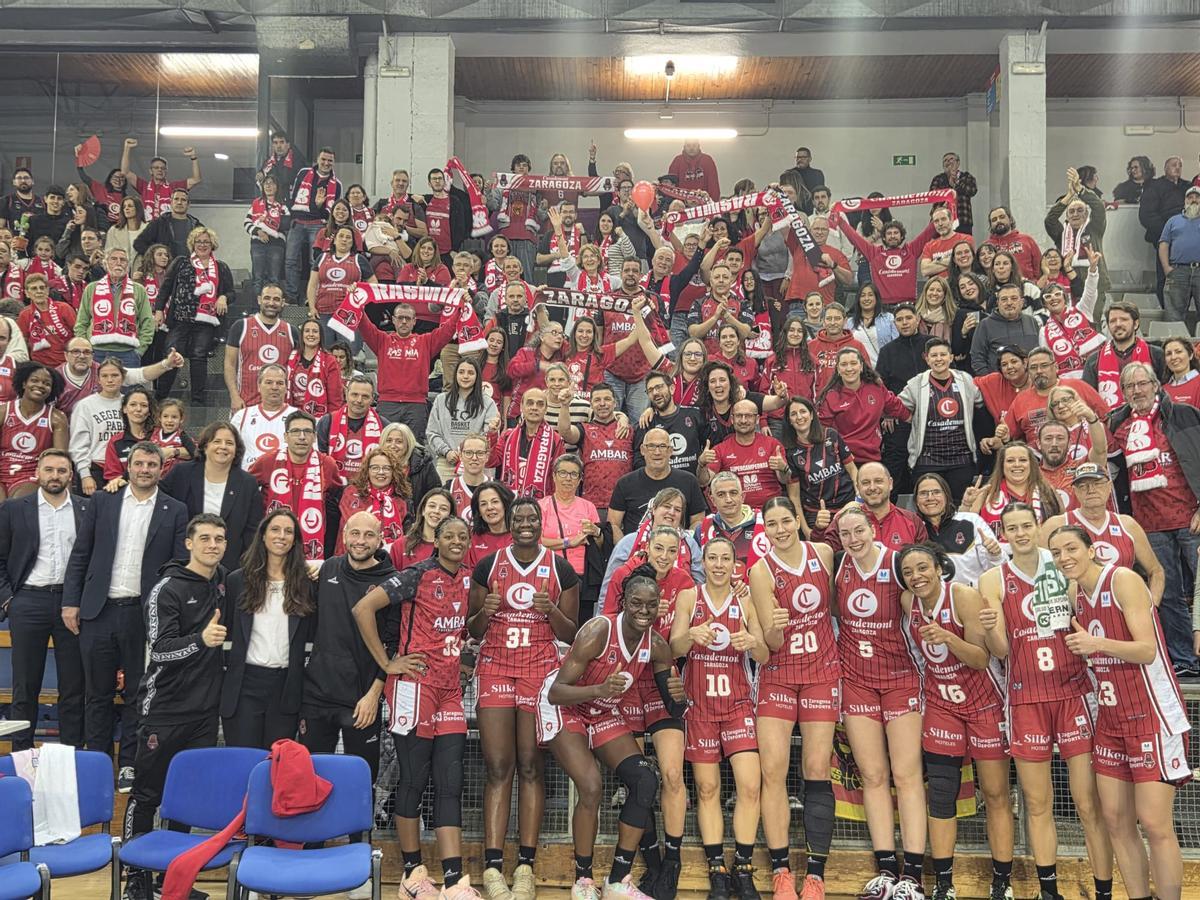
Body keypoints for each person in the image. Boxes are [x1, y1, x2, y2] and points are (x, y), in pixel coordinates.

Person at [977, 504, 1113, 900]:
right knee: (1038, 804)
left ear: (1038, 527)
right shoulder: (992, 578)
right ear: (1003, 533)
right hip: (1026, 698)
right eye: (1011, 528)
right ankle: (1049, 891)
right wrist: (991, 630)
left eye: (1026, 526)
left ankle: (1104, 891)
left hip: (1073, 693)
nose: (1020, 533)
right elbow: (1001, 650)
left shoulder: (1063, 567)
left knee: (1088, 803)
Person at [1049, 525, 1191, 900]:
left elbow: (1147, 650)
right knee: (1115, 819)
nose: (1064, 558)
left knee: (1155, 822)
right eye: (1057, 553)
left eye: (1070, 548)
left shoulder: (1123, 580)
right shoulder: (1075, 593)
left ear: (1091, 549)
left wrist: (1095, 643)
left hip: (1151, 715)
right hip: (1111, 719)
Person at [540, 563, 686, 900]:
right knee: (591, 785)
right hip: (566, 707)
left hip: (602, 711)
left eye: (651, 605)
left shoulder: (657, 645)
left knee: (645, 779)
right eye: (637, 603)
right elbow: (556, 692)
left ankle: (618, 880)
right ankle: (583, 879)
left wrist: (681, 698)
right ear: (624, 602)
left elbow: (674, 707)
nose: (644, 611)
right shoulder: (598, 631)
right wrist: (600, 689)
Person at [352, 515, 473, 893]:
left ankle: (453, 880)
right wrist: (387, 664)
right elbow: (362, 609)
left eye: (463, 536)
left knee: (451, 780)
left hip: (449, 689)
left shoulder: (467, 578)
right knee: (414, 778)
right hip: (414, 688)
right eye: (449, 535)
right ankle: (412, 874)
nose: (456, 541)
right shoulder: (416, 574)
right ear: (436, 540)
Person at [467, 498, 581, 900]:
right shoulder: (488, 565)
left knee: (532, 765)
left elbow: (570, 633)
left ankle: (526, 866)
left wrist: (550, 610)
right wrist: (487, 611)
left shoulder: (561, 569)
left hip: (538, 671)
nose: (526, 523)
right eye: (519, 518)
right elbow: (473, 629)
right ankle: (493, 866)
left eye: (533, 517)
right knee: (499, 767)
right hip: (496, 667)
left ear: (541, 521)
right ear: (510, 523)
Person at [63, 442, 188, 791]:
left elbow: (178, 565)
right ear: (128, 467)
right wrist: (70, 602)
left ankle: (130, 764)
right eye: (139, 463)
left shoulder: (175, 509)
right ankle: (98, 763)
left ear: (161, 469)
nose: (145, 469)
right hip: (98, 609)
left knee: (138, 693)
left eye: (152, 464)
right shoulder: (103, 501)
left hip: (143, 614)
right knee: (96, 693)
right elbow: (81, 553)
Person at [897, 543, 1013, 900]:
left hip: (983, 702)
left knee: (995, 793)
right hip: (942, 703)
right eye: (908, 572)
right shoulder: (908, 602)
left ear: (938, 567)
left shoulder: (963, 596)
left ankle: (1002, 882)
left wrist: (947, 637)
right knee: (941, 795)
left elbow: (980, 659)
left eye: (923, 568)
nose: (916, 577)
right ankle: (944, 883)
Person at [120, 513, 226, 900]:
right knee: (147, 795)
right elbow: (160, 649)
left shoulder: (221, 581)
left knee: (185, 799)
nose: (212, 545)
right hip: (163, 709)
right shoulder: (166, 588)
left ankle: (172, 880)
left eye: (219, 539)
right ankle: (135, 878)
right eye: (205, 538)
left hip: (204, 713)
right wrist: (200, 640)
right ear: (189, 543)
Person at [833, 505, 926, 900]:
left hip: (900, 678)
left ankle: (914, 875)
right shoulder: (839, 566)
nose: (853, 539)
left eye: (859, 530)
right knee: (872, 776)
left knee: (906, 776)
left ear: (873, 528)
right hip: (858, 681)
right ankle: (886, 869)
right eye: (845, 534)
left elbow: (923, 605)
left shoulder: (897, 563)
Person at [745, 498, 837, 900]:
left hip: (821, 672)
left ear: (797, 520)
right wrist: (776, 627)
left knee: (816, 768)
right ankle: (781, 871)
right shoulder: (760, 571)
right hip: (780, 675)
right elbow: (769, 643)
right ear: (764, 529)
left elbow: (836, 609)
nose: (781, 529)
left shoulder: (823, 553)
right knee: (773, 771)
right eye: (772, 523)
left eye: (786, 520)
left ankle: (816, 874)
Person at [669, 537, 767, 900]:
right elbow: (673, 647)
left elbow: (765, 654)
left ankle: (743, 866)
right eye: (713, 558)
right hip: (700, 706)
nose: (720, 564)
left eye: (726, 558)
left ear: (735, 565)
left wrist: (752, 643)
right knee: (707, 789)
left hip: (737, 704)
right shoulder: (689, 598)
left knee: (750, 786)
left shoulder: (745, 600)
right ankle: (717, 870)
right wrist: (689, 636)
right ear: (704, 562)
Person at [1108, 362, 1200, 676]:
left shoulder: (1183, 415)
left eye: (1142, 383)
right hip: (1149, 524)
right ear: (1123, 392)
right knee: (1169, 593)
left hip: (1190, 517)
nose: (1137, 390)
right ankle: (1185, 658)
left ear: (1155, 385)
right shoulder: (1118, 425)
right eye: (1130, 386)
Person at [298, 510, 397, 784]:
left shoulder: (391, 581)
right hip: (317, 697)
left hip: (361, 701)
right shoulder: (328, 568)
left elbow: (394, 644)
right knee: (312, 780)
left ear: (380, 539)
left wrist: (373, 695)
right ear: (344, 536)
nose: (361, 541)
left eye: (369, 535)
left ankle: (359, 820)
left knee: (360, 781)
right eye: (355, 533)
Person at [0, 449, 86, 752]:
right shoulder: (13, 509)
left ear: (71, 476)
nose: (55, 476)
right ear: (37, 473)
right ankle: (22, 755)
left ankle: (70, 755)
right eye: (49, 469)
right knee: (25, 685)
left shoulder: (86, 509)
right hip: (28, 601)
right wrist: (9, 600)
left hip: (72, 604)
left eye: (61, 470)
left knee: (73, 686)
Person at [160, 421, 264, 571]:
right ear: (205, 446)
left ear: (236, 450)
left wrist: (245, 568)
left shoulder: (248, 483)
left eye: (229, 443)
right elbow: (157, 498)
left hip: (229, 568)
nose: (223, 446)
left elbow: (253, 531)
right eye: (217, 441)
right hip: (184, 565)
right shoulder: (182, 473)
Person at [248, 409, 343, 562]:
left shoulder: (327, 464)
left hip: (312, 544)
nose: (302, 437)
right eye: (295, 431)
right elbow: (245, 489)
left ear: (314, 436)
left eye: (307, 431)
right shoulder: (267, 461)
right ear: (286, 436)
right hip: (274, 542)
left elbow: (336, 498)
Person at [153, 226, 234, 403]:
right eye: (199, 241)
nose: (202, 245)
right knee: (171, 355)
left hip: (206, 320)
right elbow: (166, 287)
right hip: (180, 318)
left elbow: (231, 292)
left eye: (206, 242)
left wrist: (223, 297)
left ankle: (198, 401)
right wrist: (159, 310)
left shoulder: (221, 267)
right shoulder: (181, 262)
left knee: (199, 356)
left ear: (212, 245)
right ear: (192, 244)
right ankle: (160, 398)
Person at [897, 337, 984, 499]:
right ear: (927, 359)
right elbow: (897, 406)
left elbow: (981, 402)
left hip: (961, 459)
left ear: (951, 357)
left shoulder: (965, 379)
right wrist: (895, 416)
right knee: (930, 506)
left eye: (943, 355)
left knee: (960, 506)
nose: (939, 359)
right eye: (934, 355)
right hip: (927, 460)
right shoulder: (916, 383)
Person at [361, 300, 457, 438]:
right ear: (393, 320)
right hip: (388, 404)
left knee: (415, 447)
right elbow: (364, 326)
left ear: (414, 321)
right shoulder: (382, 340)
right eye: (400, 318)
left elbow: (448, 330)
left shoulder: (426, 342)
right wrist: (356, 303)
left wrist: (460, 308)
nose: (404, 322)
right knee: (385, 446)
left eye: (408, 318)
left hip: (416, 405)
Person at [600, 487, 705, 602]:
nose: (671, 512)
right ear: (654, 509)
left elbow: (699, 586)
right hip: (635, 609)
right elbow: (609, 588)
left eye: (677, 510)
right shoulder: (628, 542)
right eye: (666, 506)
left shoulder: (690, 544)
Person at [609, 427, 707, 542]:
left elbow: (698, 521)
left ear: (670, 450)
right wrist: (626, 549)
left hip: (677, 549)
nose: (657, 452)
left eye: (662, 446)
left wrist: (686, 545)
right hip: (636, 550)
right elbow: (613, 524)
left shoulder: (689, 481)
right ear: (642, 450)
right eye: (651, 446)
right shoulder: (625, 483)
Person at [817, 348, 908, 465]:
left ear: (861, 367)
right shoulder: (830, 396)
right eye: (844, 364)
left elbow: (897, 408)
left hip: (872, 458)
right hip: (842, 460)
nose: (849, 368)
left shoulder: (876, 388)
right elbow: (822, 431)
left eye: (853, 363)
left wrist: (915, 420)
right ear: (838, 369)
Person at [911, 472, 1003, 587]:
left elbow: (997, 569)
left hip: (974, 595)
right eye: (923, 493)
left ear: (946, 496)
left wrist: (995, 554)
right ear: (916, 500)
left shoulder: (971, 521)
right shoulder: (913, 529)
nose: (930, 498)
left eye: (936, 492)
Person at [74, 247, 155, 368]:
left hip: (128, 353)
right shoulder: (91, 288)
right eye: (114, 259)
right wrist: (86, 348)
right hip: (95, 352)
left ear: (128, 265)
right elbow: (81, 322)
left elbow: (148, 322)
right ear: (105, 264)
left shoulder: (139, 290)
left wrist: (139, 351)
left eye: (123, 260)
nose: (118, 263)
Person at [834, 208, 936, 304]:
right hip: (882, 307)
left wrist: (942, 209)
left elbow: (928, 232)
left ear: (902, 236)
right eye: (889, 233)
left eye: (896, 233)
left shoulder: (911, 251)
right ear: (883, 237)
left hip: (907, 306)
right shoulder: (874, 253)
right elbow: (854, 238)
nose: (892, 236)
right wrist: (839, 219)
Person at [224, 282, 299, 412]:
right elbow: (229, 364)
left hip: (281, 406)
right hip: (246, 403)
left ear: (282, 302)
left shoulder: (291, 331)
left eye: (276, 299)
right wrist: (234, 396)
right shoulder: (241, 326)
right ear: (259, 300)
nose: (271, 303)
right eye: (267, 298)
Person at [821, 462, 928, 552]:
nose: (872, 487)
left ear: (890, 483)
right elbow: (822, 556)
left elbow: (925, 560)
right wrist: (820, 530)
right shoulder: (844, 520)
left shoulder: (912, 521)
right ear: (858, 487)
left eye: (878, 481)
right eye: (866, 483)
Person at [699, 398, 787, 507]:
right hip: (735, 511)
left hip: (771, 509)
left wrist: (784, 468)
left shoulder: (773, 444)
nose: (743, 420)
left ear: (757, 419)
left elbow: (785, 480)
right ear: (732, 419)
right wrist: (701, 464)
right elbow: (704, 482)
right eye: (739, 416)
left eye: (748, 416)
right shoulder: (720, 449)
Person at [1081, 300, 1167, 411]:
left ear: (1136, 324)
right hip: (1109, 419)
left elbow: (1167, 392)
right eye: (1113, 321)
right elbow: (1088, 399)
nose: (1118, 324)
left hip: (1151, 417)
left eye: (1124, 319)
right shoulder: (1094, 360)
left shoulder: (1156, 354)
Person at [0, 363, 67, 500]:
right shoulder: (4, 411)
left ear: (52, 389)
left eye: (46, 383)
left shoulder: (56, 418)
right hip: (2, 471)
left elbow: (60, 459)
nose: (40, 385)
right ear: (24, 383)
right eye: (35, 380)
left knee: (18, 503)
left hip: (30, 476)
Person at [427, 357, 501, 480]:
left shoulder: (488, 403)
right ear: (455, 374)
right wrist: (447, 452)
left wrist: (492, 431)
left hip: (476, 464)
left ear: (477, 376)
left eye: (470, 373)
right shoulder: (441, 400)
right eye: (461, 372)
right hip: (447, 464)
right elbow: (432, 432)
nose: (465, 376)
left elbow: (487, 438)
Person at [485, 389, 565, 500]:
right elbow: (490, 462)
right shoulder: (508, 436)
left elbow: (558, 479)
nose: (534, 407)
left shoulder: (555, 440)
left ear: (546, 409)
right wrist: (492, 434)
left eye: (540, 404)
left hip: (540, 504)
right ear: (521, 407)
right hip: (509, 501)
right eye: (530, 403)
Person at [286, 147, 341, 303]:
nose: (326, 163)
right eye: (323, 159)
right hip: (298, 223)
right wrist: (292, 217)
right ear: (317, 159)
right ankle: (291, 296)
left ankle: (311, 297)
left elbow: (334, 212)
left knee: (315, 262)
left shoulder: (337, 184)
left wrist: (319, 206)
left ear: (333, 163)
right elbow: (292, 195)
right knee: (291, 261)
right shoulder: (303, 173)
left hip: (318, 225)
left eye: (330, 160)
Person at [1039, 250, 1103, 379]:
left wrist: (1092, 269)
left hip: (1097, 371)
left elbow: (1090, 291)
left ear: (1065, 298)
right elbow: (1047, 360)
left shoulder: (1081, 309)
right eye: (1048, 297)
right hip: (1068, 380)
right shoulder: (1044, 331)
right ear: (1044, 305)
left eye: (1057, 294)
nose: (1053, 298)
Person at [337, 446, 408, 555]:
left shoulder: (401, 501)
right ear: (367, 470)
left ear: (394, 472)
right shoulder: (351, 493)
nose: (381, 472)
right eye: (375, 468)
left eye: (386, 468)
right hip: (350, 555)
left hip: (386, 559)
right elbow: (355, 524)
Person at [539, 454, 601, 576]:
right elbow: (537, 542)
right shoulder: (541, 506)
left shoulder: (588, 507)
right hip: (549, 570)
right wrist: (569, 542)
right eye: (563, 473)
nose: (568, 478)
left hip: (582, 573)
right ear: (554, 476)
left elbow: (598, 545)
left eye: (573, 474)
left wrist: (597, 532)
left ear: (579, 479)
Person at [229, 363, 298, 470]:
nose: (274, 387)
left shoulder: (298, 417)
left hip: (284, 476)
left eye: (280, 383)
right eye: (269, 382)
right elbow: (229, 450)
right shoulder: (241, 416)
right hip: (248, 477)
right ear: (259, 386)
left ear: (286, 388)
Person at [1140, 156, 1188, 307]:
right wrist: (1168, 232)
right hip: (1165, 240)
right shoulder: (1154, 187)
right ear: (1165, 168)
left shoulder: (1187, 187)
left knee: (1189, 280)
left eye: (1180, 165)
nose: (1177, 168)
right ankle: (1166, 310)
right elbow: (1146, 215)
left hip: (1188, 241)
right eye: (1174, 165)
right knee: (1166, 278)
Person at [119, 137, 201, 221]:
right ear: (150, 171)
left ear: (166, 171)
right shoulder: (144, 186)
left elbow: (196, 179)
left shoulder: (174, 187)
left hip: (167, 226)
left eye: (163, 168)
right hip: (147, 226)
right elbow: (125, 172)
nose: (159, 170)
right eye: (156, 167)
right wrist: (127, 148)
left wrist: (193, 157)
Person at [1158, 184, 1200, 330]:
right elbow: (1163, 245)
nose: (1193, 200)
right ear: (1185, 201)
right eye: (1190, 197)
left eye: (1197, 197)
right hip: (1178, 272)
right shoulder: (1173, 221)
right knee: (1173, 316)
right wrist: (1166, 268)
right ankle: (1175, 343)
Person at [285, 318, 344, 417]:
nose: (311, 334)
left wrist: (331, 419)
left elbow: (335, 398)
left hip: (319, 417)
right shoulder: (291, 357)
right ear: (302, 335)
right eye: (307, 331)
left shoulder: (330, 361)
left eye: (315, 331)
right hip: (292, 415)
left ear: (321, 336)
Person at [17, 272, 76, 367]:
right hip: (40, 366)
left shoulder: (64, 308)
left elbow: (77, 334)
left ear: (47, 290)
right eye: (34, 288)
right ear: (27, 293)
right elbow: (23, 342)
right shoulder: (25, 315)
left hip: (66, 364)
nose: (39, 291)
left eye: (42, 288)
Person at [132, 188, 204, 261]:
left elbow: (206, 247)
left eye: (183, 200)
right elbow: (139, 243)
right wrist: (156, 256)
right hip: (166, 267)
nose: (179, 202)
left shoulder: (197, 226)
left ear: (188, 204)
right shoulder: (159, 223)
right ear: (171, 202)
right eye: (176, 199)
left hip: (191, 266)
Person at [392, 488, 454, 570]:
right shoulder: (400, 546)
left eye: (443, 508)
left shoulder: (455, 548)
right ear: (423, 510)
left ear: (450, 516)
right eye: (432, 506)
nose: (436, 511)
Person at [985, 206, 1041, 281]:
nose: (998, 221)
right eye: (994, 220)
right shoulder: (987, 246)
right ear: (991, 225)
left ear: (1010, 219)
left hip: (1027, 285)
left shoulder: (1027, 240)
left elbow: (1039, 267)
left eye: (1002, 217)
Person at [929, 152, 977, 235]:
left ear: (958, 163)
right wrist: (949, 189)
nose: (948, 162)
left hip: (962, 220)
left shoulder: (966, 176)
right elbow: (932, 196)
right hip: (941, 221)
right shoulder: (938, 178)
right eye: (945, 160)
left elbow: (972, 191)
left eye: (951, 159)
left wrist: (956, 183)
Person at [0, 167, 43, 233]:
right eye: (19, 178)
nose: (23, 181)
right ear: (14, 182)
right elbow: (1, 228)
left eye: (26, 178)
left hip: (37, 239)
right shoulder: (6, 201)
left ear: (32, 181)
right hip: (15, 239)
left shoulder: (42, 202)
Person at [1161, 335, 1200, 407]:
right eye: (1168, 354)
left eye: (1178, 352)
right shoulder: (1162, 390)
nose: (1173, 357)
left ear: (1190, 355)